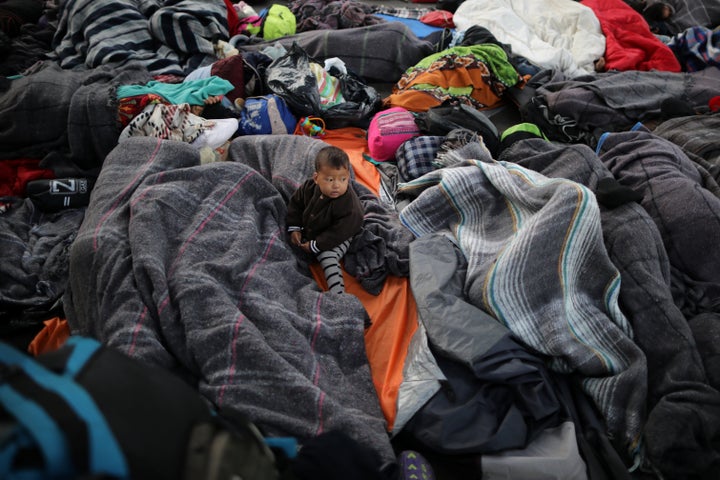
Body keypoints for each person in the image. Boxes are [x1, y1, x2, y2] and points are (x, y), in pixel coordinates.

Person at [286, 146, 364, 294]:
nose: (337, 185)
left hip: (341, 234)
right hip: (316, 228)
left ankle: (338, 295)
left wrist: (317, 244)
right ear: (316, 178)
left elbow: (339, 232)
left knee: (327, 257)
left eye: (343, 179)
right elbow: (295, 205)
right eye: (330, 179)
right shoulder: (308, 188)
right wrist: (295, 227)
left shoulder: (348, 205)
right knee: (288, 245)